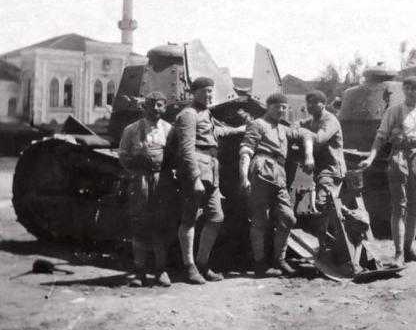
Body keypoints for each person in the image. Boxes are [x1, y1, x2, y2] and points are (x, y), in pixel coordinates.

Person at [358, 76, 416, 267]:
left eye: (415, 88)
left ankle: (409, 249)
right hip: (400, 158)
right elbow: (380, 137)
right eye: (408, 88)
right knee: (399, 207)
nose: (411, 92)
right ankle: (398, 253)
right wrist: (371, 158)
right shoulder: (394, 111)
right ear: (403, 90)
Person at [169, 76, 245, 284]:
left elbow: (214, 132)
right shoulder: (188, 114)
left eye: (211, 91)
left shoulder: (205, 113)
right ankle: (189, 267)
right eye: (204, 91)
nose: (209, 95)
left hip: (211, 169)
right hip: (196, 170)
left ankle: (202, 263)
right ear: (194, 92)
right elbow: (186, 149)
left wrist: (238, 130)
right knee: (189, 218)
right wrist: (194, 178)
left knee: (216, 217)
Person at [238, 93, 314, 277]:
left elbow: (306, 134)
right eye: (277, 106)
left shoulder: (283, 129)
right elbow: (246, 150)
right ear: (268, 106)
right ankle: (260, 264)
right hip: (262, 168)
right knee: (259, 219)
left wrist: (309, 155)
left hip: (279, 172)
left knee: (288, 218)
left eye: (284, 107)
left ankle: (279, 260)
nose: (281, 110)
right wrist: (244, 177)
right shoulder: (258, 124)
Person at [118, 91, 173, 287]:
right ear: (144, 107)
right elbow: (122, 154)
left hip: (161, 181)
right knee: (139, 226)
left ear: (165, 108)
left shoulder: (169, 130)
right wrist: (135, 171)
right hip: (140, 180)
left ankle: (161, 271)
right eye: (151, 104)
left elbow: (174, 155)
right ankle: (139, 272)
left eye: (160, 105)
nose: (155, 109)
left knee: (160, 226)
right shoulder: (131, 130)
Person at [299, 90, 347, 255]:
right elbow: (297, 125)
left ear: (324, 104)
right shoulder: (313, 120)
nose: (310, 106)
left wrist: (304, 134)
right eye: (308, 103)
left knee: (324, 204)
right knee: (321, 208)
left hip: (332, 170)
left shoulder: (329, 120)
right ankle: (324, 245)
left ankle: (338, 242)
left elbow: (319, 139)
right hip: (322, 171)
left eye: (315, 102)